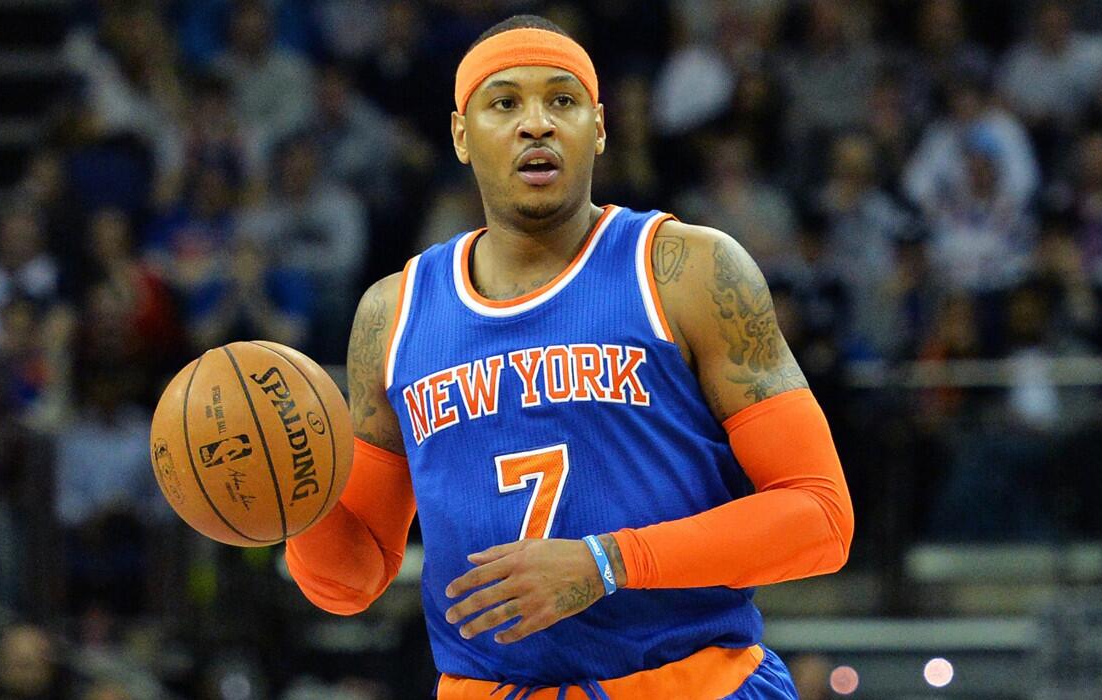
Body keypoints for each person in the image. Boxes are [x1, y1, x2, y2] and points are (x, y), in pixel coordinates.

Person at [286, 16, 853, 699]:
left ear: (600, 127)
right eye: (505, 103)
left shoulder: (685, 270)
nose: (537, 124)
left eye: (562, 100)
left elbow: (821, 516)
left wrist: (608, 561)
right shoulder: (393, 314)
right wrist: (293, 500)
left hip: (693, 683)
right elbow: (349, 582)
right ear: (462, 136)